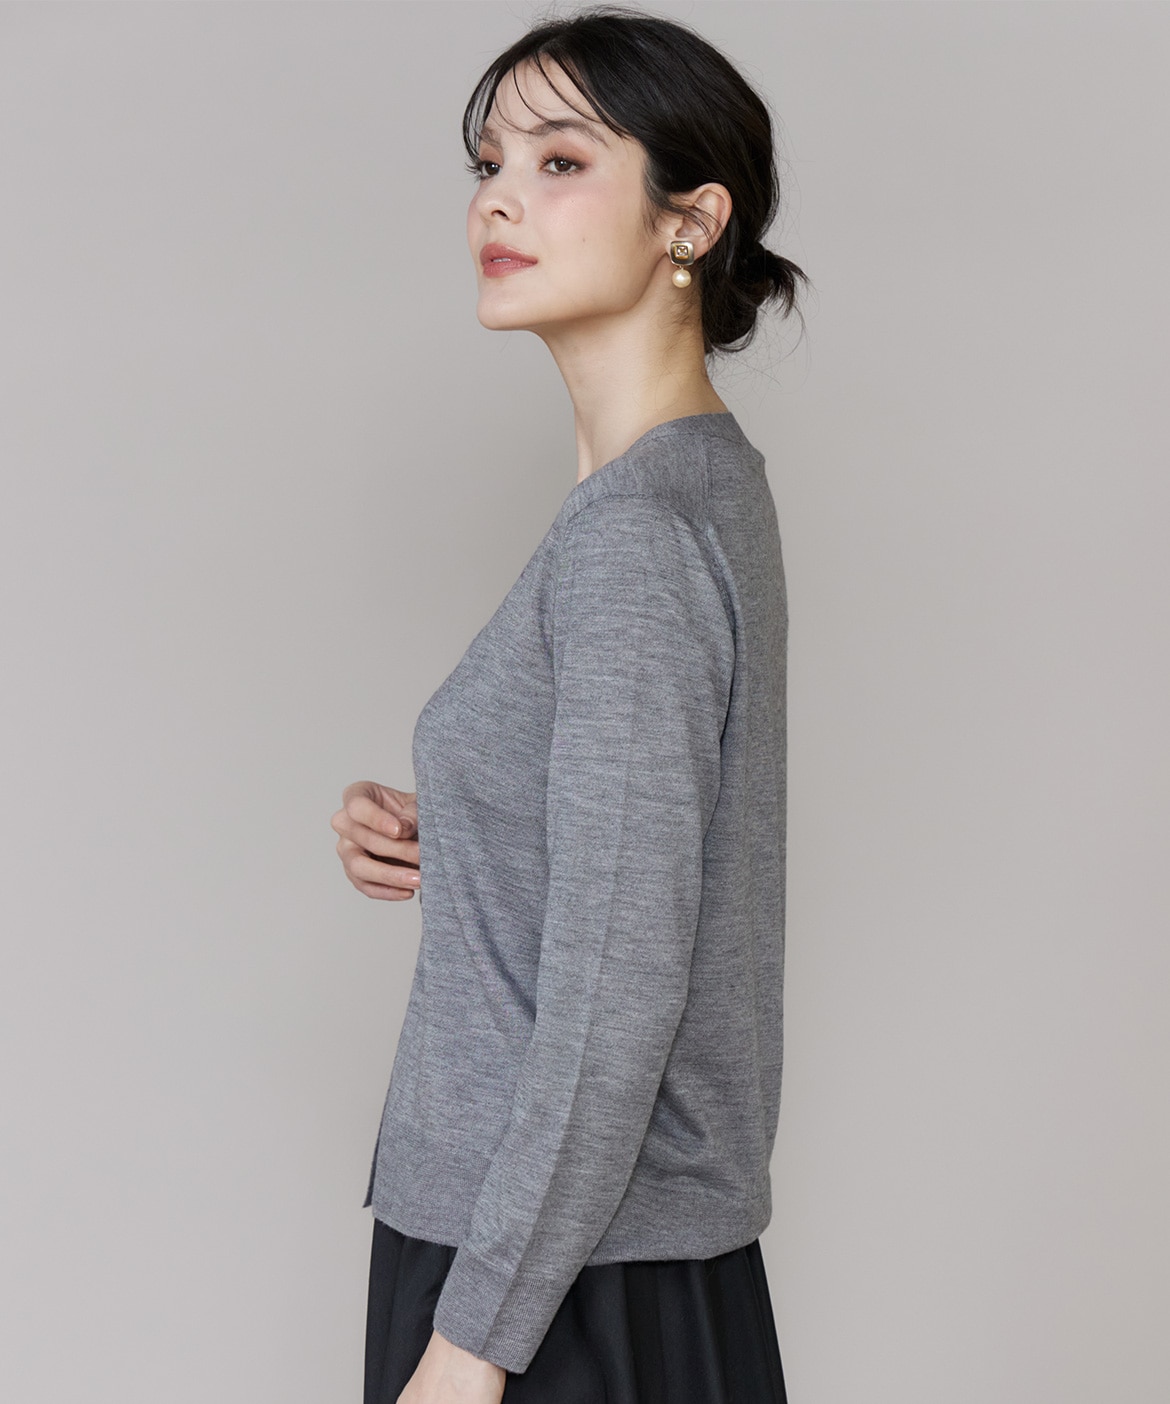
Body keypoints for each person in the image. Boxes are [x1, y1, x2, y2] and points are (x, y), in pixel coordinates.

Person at [330, 7, 810, 1400]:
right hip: (591, 1262)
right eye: (488, 163)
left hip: (552, 1284)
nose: (497, 198)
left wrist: (472, 1344)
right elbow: (642, 874)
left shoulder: (632, 542)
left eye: (559, 161)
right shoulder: (702, 488)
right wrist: (467, 822)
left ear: (689, 221)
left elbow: (618, 994)